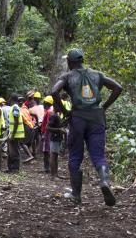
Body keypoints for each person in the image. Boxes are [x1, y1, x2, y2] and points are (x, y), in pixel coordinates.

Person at [47, 48, 124, 206]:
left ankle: (76, 194)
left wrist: (65, 112)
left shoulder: (67, 76)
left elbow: (54, 91)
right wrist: (104, 107)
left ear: (70, 61)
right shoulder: (97, 75)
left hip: (78, 118)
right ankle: (104, 182)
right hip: (97, 118)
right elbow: (118, 88)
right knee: (98, 155)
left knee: (75, 156)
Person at [3, 94, 27, 173]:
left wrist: (12, 135)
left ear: (11, 99)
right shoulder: (13, 108)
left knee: (14, 151)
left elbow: (16, 122)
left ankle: (15, 169)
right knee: (10, 151)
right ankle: (10, 168)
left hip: (16, 134)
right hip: (13, 133)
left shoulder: (15, 108)